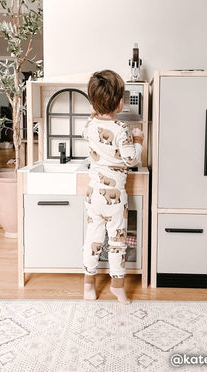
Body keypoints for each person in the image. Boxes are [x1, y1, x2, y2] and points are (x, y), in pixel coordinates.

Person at [82, 70, 144, 305]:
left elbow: (84, 134)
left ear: (93, 102)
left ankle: (88, 286)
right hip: (115, 199)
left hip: (93, 195)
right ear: (120, 103)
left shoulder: (89, 125)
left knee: (93, 240)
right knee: (117, 242)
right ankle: (118, 288)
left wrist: (92, 116)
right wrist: (139, 140)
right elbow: (131, 160)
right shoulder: (122, 130)